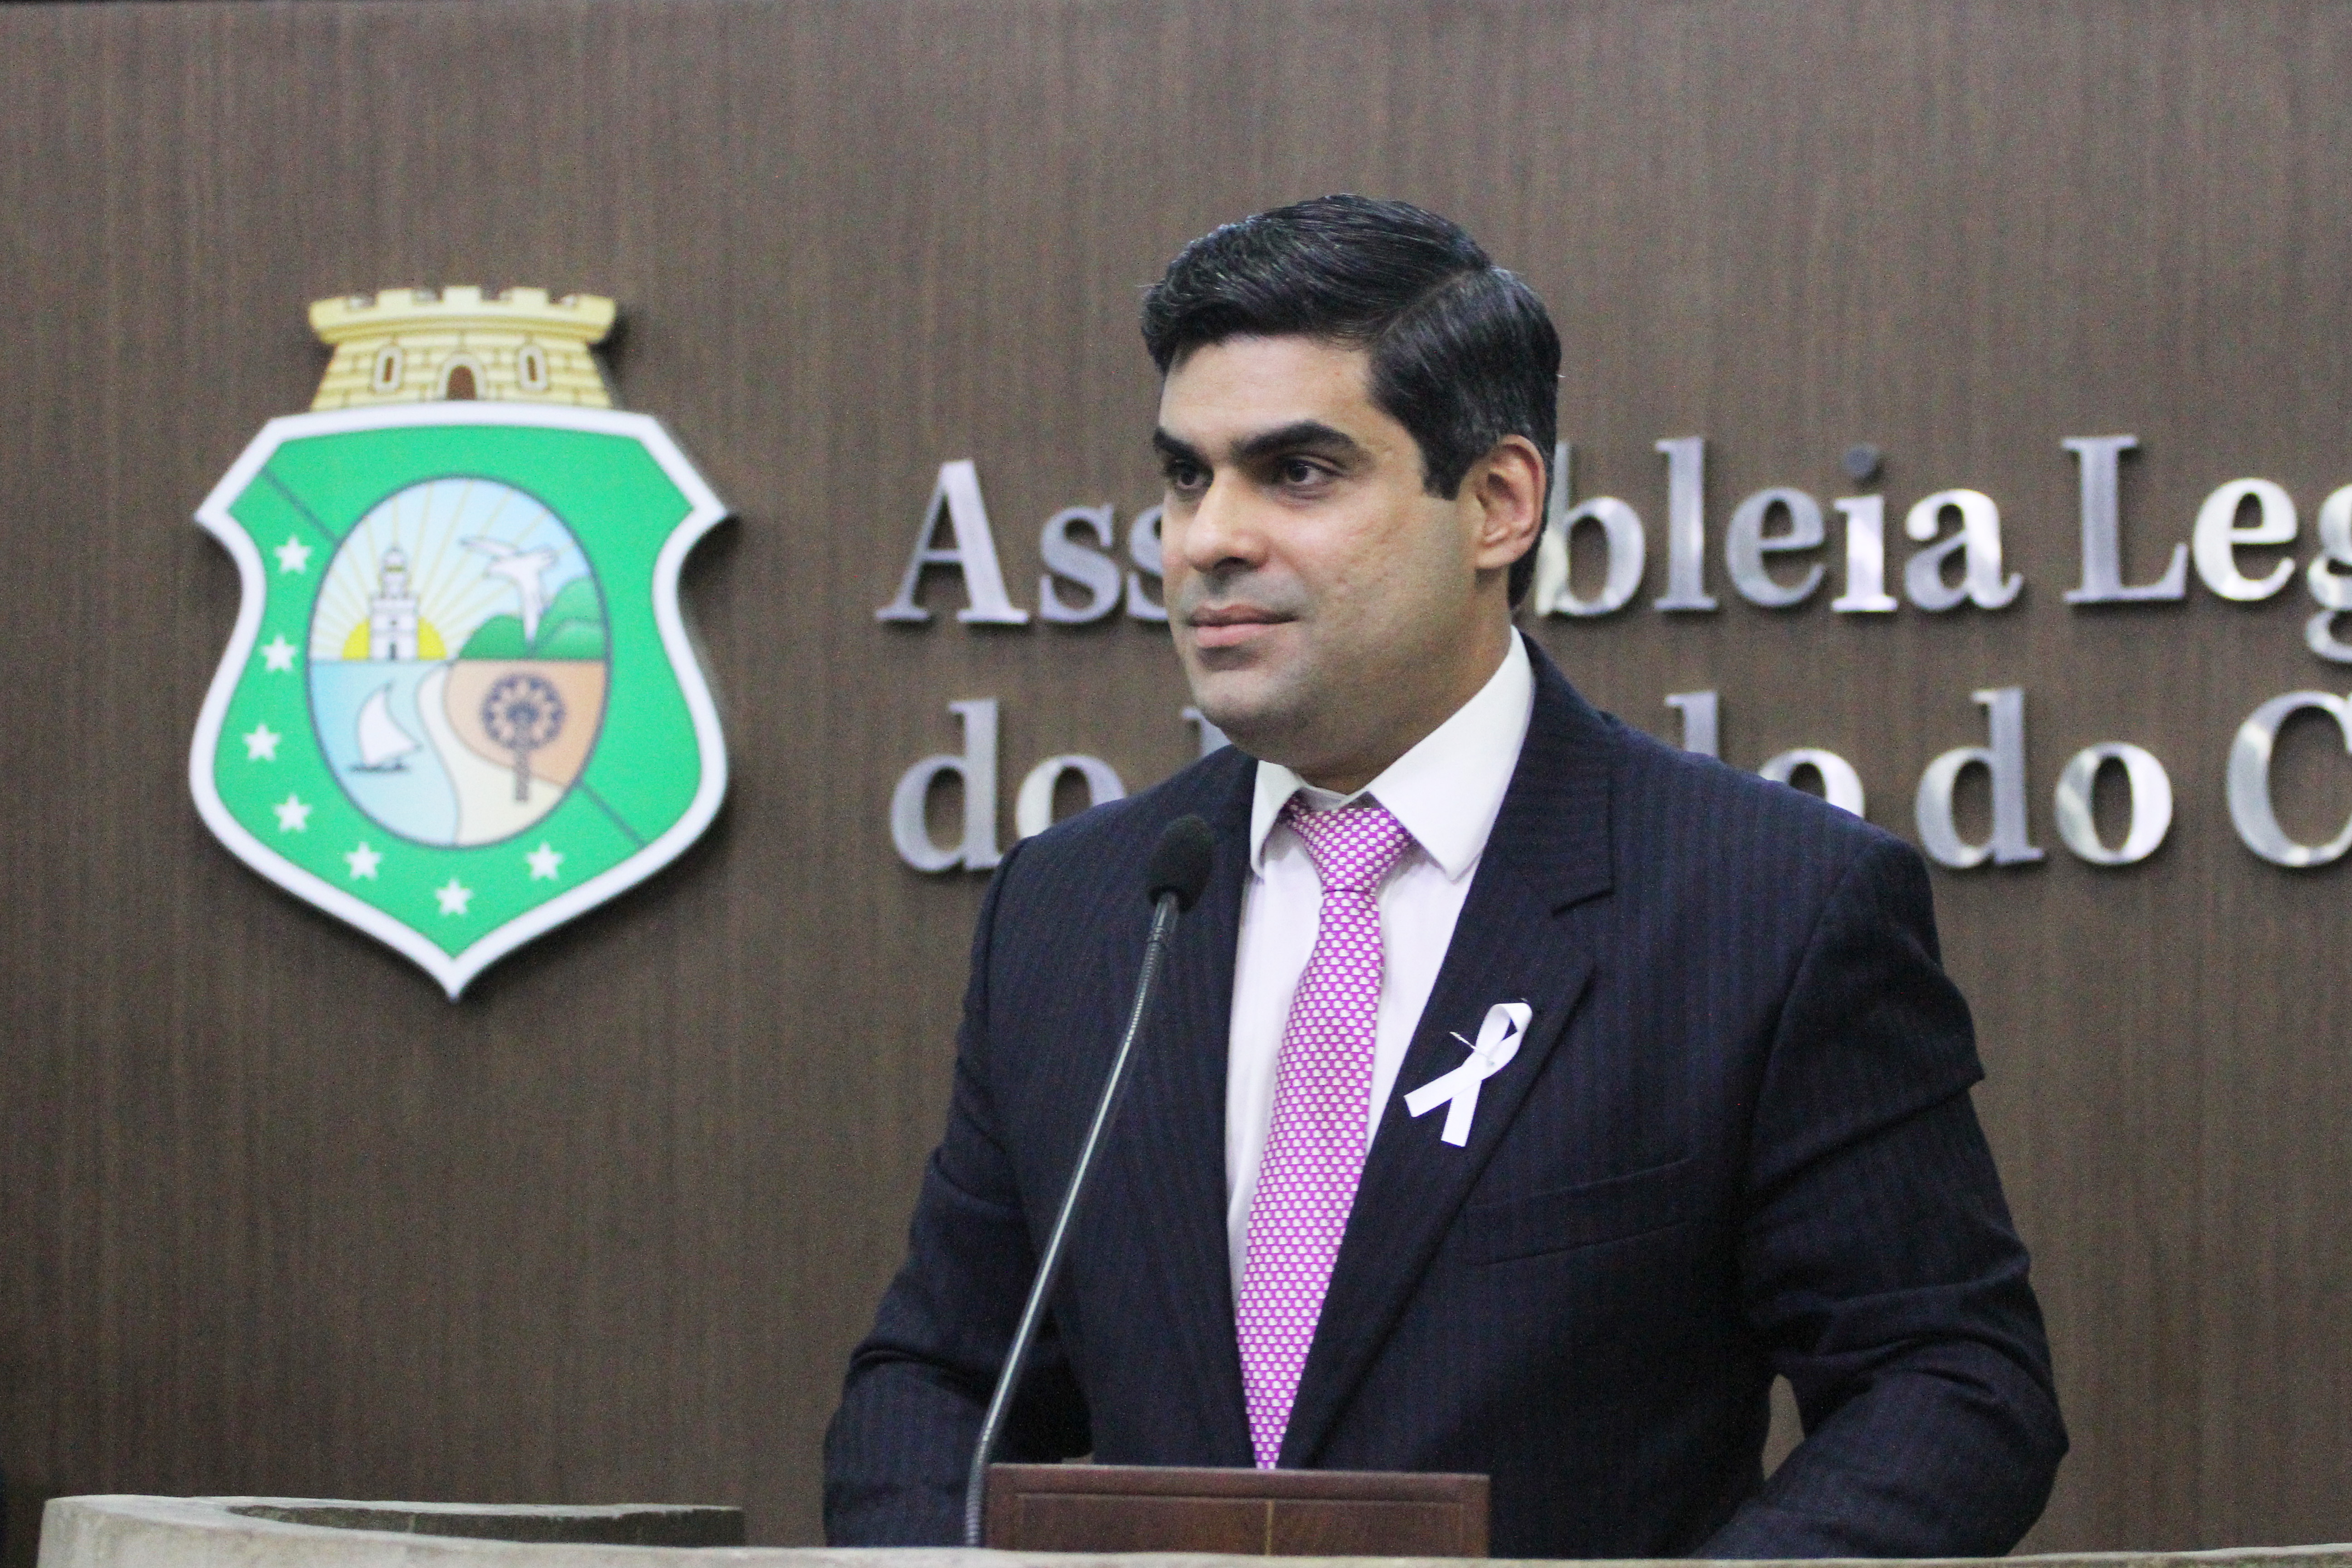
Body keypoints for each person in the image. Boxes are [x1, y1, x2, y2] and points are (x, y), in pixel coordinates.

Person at [823, 195, 2065, 1557]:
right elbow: (937, 1383)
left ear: (1496, 505)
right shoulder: (1080, 911)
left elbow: (1949, 1386)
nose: (1207, 538)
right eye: (1186, 476)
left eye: (1297, 472)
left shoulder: (1768, 905)